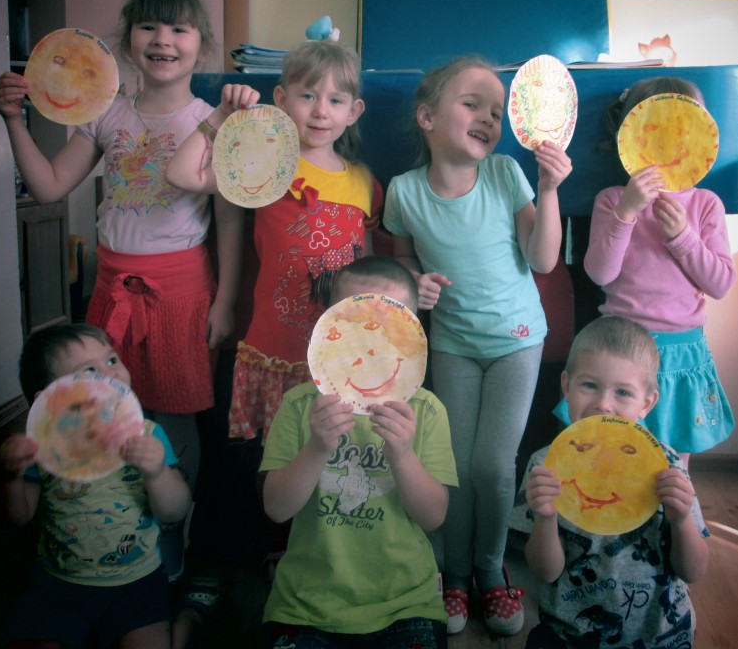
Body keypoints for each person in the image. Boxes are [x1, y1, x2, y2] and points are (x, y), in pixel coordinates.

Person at [0, 0, 244, 579]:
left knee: (175, 421)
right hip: (112, 289)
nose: (163, 40)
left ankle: (173, 538)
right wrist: (13, 119)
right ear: (128, 40)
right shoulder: (106, 113)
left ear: (201, 43)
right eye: (148, 26)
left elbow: (231, 221)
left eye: (178, 28)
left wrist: (226, 301)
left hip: (184, 294)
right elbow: (49, 186)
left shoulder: (214, 120)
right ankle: (105, 528)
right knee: (103, 411)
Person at [165, 39, 381, 640]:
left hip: (333, 363)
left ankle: (299, 557)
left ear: (354, 112)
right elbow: (183, 176)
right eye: (307, 96)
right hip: (268, 353)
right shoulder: (262, 160)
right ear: (282, 100)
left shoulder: (365, 182)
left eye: (335, 100)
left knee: (319, 461)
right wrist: (221, 117)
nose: (320, 110)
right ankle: (224, 564)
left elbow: (368, 272)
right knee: (249, 464)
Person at [382, 56, 572, 636]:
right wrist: (416, 281)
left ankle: (490, 567)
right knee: (457, 466)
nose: (489, 118)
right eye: (473, 105)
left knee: (491, 465)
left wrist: (548, 189)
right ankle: (457, 572)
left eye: (496, 111)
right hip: (453, 345)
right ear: (427, 118)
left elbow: (542, 259)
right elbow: (403, 258)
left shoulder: (506, 174)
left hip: (517, 342)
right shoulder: (404, 192)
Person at [260, 254, 458, 648]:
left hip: (406, 603)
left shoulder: (427, 410)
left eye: (388, 328)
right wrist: (317, 447)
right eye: (352, 324)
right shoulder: (300, 406)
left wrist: (402, 455)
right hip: (306, 603)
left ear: (412, 335)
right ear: (327, 329)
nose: (369, 344)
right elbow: (276, 509)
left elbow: (434, 517)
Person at [510, 316, 710, 649]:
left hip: (659, 635)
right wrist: (545, 517)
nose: (604, 403)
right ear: (567, 386)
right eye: (589, 385)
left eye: (623, 392)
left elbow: (693, 571)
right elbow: (545, 572)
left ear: (647, 403)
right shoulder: (546, 466)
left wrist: (681, 520)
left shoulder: (668, 467)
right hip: (569, 635)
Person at [0, 324, 192, 649]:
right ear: (48, 399)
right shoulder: (38, 446)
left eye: (112, 360)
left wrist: (157, 472)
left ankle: (188, 619)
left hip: (137, 583)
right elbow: (20, 516)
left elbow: (175, 511)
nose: (110, 374)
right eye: (89, 371)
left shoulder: (147, 435)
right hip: (57, 586)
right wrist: (12, 476)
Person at [583, 76, 736, 467]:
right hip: (621, 347)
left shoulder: (705, 204)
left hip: (680, 351)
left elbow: (720, 284)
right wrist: (627, 212)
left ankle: (677, 507)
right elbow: (600, 273)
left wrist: (683, 237)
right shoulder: (612, 200)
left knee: (672, 464)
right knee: (611, 454)